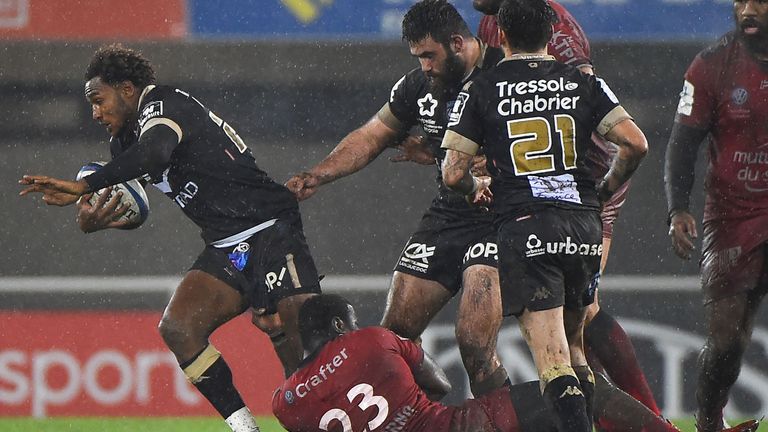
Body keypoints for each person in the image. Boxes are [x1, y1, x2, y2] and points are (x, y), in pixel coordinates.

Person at [18, 44, 321, 432]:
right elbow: (134, 209)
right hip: (226, 243)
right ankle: (247, 428)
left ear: (127, 88)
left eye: (99, 100)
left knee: (301, 352)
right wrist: (96, 221)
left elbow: (157, 153)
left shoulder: (163, 102)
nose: (95, 113)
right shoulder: (123, 144)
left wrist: (83, 185)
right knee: (179, 327)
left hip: (269, 225)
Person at [441, 0, 648, 430]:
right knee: (575, 354)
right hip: (582, 224)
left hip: (527, 227)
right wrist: (602, 190)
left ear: (500, 36)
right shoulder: (583, 82)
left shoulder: (483, 88)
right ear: (548, 35)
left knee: (552, 364)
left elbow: (452, 171)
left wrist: (475, 188)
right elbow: (635, 143)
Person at [286, 0, 509, 396]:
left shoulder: (507, 75)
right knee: (394, 339)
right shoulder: (420, 86)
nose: (424, 65)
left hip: (502, 217)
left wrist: (498, 165)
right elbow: (372, 134)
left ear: (458, 42)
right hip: (450, 215)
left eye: (429, 55)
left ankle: (502, 421)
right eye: (417, 56)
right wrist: (318, 173)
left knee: (474, 343)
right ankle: (419, 419)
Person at [272, 294, 710, 432]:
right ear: (337, 324)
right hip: (458, 427)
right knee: (576, 386)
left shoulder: (284, 404)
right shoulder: (370, 340)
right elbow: (440, 384)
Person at [665, 1, 768, 431]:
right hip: (732, 216)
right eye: (741, 0)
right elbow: (682, 143)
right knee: (727, 340)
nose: (748, 9)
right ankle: (709, 422)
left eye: (759, 1)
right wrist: (678, 208)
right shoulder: (711, 66)